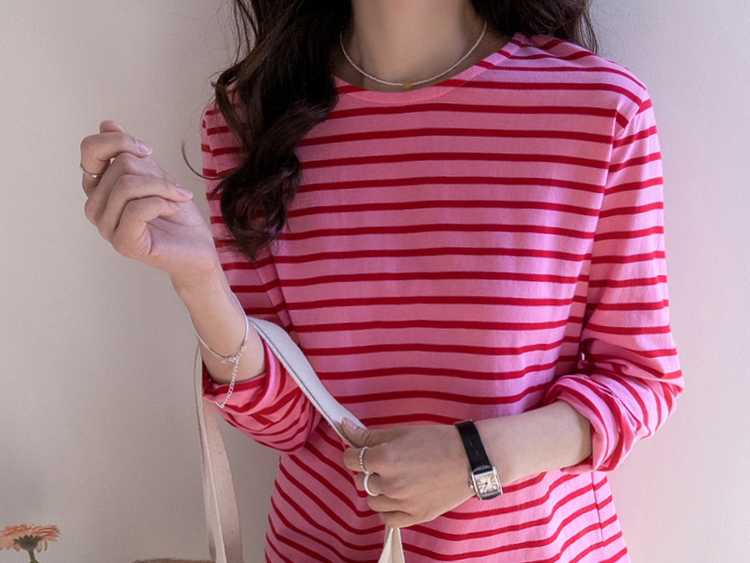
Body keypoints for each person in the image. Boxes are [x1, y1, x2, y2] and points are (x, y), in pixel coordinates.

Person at [80, 1, 684, 561]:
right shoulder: (248, 123)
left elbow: (640, 379)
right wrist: (199, 281)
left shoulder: (599, 108)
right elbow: (286, 422)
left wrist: (476, 458)